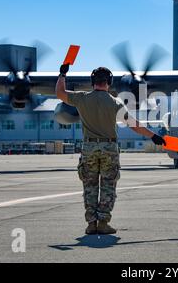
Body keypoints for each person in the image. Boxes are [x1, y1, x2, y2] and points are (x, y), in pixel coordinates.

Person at [56, 64, 166, 235]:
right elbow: (134, 125)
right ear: (109, 82)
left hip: (89, 147)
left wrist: (62, 74)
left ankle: (91, 224)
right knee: (108, 186)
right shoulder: (115, 103)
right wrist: (153, 136)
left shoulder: (81, 98)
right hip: (109, 148)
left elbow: (60, 93)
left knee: (89, 186)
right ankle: (103, 223)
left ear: (92, 81)